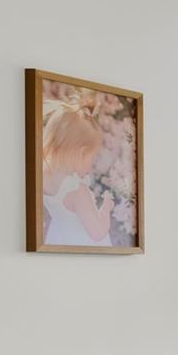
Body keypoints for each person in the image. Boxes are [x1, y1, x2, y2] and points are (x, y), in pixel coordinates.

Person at [38, 98, 115, 246]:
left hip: (58, 239)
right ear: (81, 153)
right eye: (91, 158)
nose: (91, 166)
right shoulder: (77, 190)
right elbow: (97, 233)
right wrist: (105, 209)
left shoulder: (43, 177)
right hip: (84, 244)